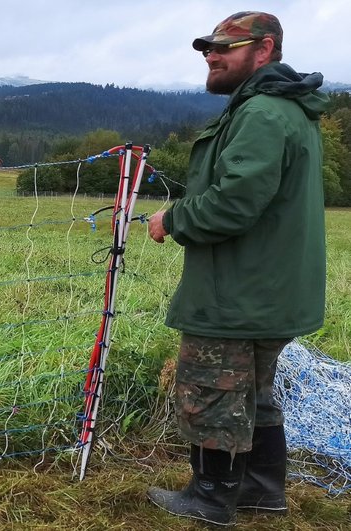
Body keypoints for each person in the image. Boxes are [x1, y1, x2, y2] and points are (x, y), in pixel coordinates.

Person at [145, 11, 328, 526]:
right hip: (270, 290)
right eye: (207, 46)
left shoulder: (263, 114)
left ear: (264, 49)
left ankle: (210, 498)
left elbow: (235, 202)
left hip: (238, 292)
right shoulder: (284, 109)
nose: (211, 54)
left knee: (211, 391)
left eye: (225, 46)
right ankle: (260, 490)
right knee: (254, 393)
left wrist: (172, 218)